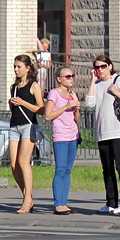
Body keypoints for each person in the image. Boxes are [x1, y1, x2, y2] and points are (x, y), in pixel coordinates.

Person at [85, 55, 120, 215]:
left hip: (118, 130)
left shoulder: (119, 80)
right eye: (97, 67)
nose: (100, 70)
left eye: (103, 66)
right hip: (102, 131)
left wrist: (115, 92)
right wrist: (93, 81)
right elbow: (89, 103)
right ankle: (111, 203)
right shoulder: (98, 84)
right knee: (107, 169)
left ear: (110, 66)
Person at [7, 53, 44, 214]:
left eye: (19, 67)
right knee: (14, 165)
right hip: (14, 125)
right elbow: (14, 109)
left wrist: (23, 102)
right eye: (14, 66)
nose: (16, 70)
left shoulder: (33, 85)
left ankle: (27, 200)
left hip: (28, 126)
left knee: (23, 162)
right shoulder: (13, 87)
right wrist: (12, 103)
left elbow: (41, 109)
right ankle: (27, 195)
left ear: (27, 69)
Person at [44, 65, 81, 214]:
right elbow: (48, 116)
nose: (71, 78)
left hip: (73, 135)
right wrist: (66, 106)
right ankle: (58, 203)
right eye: (67, 76)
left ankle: (64, 202)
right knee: (60, 169)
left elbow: (76, 118)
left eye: (72, 76)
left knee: (68, 170)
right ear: (59, 79)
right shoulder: (54, 94)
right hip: (60, 136)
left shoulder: (73, 94)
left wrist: (76, 109)